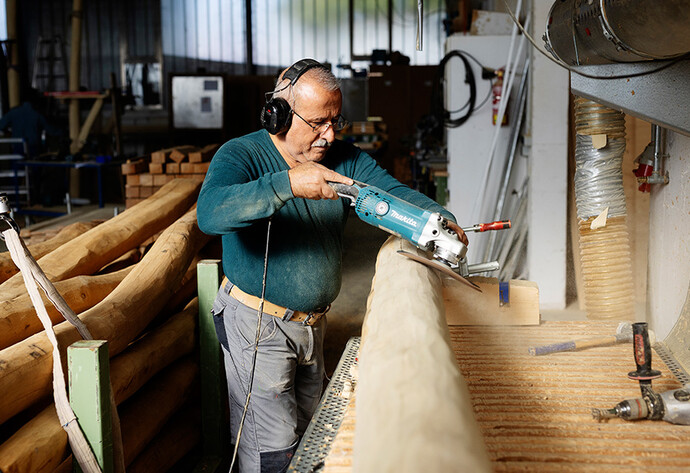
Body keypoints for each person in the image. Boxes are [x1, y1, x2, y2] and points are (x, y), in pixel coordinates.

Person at [197, 58, 467, 473]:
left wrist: (437, 219)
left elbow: (390, 193)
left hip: (312, 324)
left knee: (311, 436)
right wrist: (286, 184)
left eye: (336, 121)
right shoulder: (241, 155)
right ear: (279, 114)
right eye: (318, 122)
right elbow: (211, 214)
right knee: (272, 451)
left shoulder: (342, 158)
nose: (329, 135)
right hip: (258, 324)